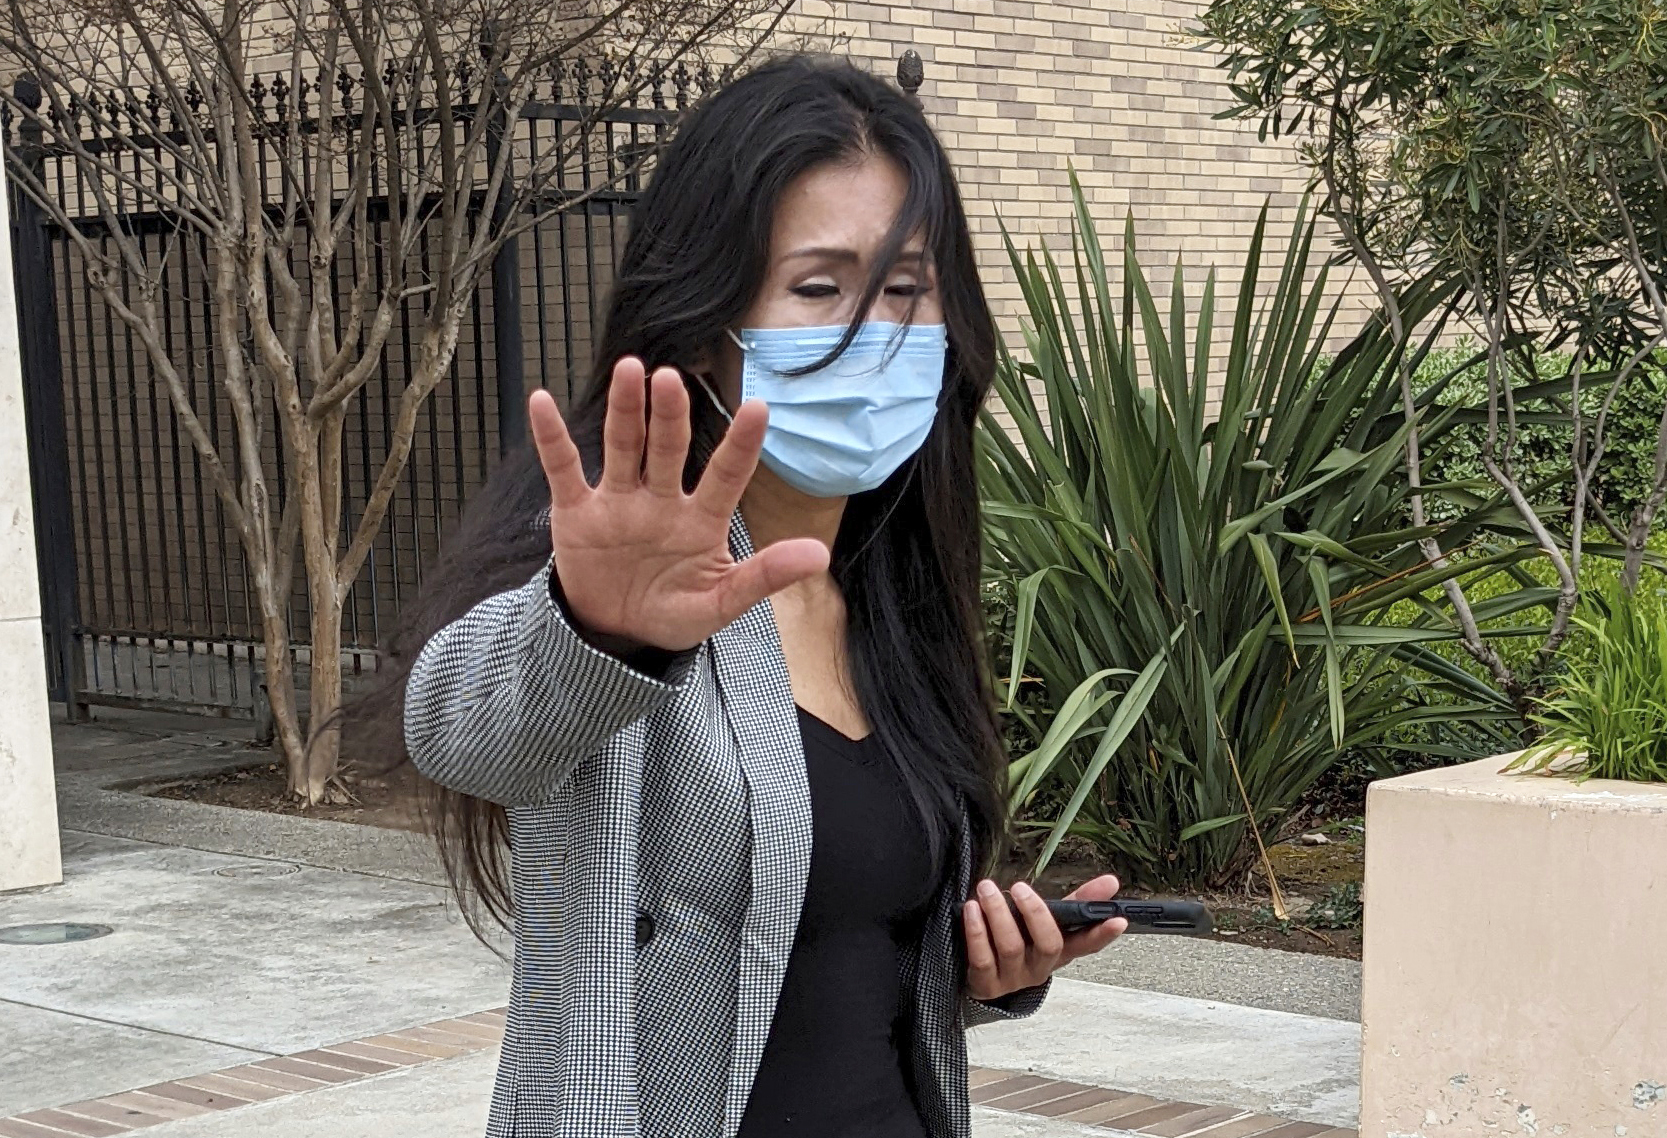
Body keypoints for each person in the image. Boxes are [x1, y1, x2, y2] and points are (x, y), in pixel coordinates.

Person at [363, 53, 1127, 1138]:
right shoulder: (619, 592)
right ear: (704, 320)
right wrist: (599, 632)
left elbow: (825, 957)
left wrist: (991, 969)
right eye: (818, 287)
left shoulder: (892, 602)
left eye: (904, 289)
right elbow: (467, 728)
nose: (872, 332)